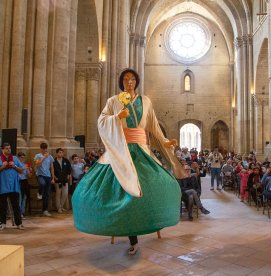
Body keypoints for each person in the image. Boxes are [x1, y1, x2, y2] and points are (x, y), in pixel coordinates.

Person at [72, 68, 186, 256]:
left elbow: (154, 127)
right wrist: (117, 117)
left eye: (132, 79)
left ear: (137, 81)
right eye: (126, 79)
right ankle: (123, 229)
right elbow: (101, 120)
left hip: (141, 151)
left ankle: (151, 221)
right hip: (120, 151)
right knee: (110, 192)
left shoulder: (146, 101)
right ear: (121, 82)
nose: (129, 82)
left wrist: (165, 142)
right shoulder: (113, 101)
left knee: (163, 186)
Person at [0, 143, 24, 230]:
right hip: (3, 186)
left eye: (9, 148)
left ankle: (19, 223)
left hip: (14, 186)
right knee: (2, 206)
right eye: (6, 148)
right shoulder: (0, 159)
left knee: (16, 206)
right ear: (2, 149)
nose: (9, 150)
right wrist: (2, 166)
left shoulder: (15, 158)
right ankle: (3, 223)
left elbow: (21, 171)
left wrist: (14, 166)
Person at [34, 142, 55, 217]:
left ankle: (45, 210)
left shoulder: (50, 156)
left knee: (46, 194)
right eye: (43, 148)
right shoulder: (37, 156)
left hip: (48, 176)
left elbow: (52, 167)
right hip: (40, 175)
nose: (45, 150)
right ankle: (39, 193)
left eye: (46, 148)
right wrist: (43, 158)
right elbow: (37, 165)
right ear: (41, 149)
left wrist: (53, 178)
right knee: (42, 184)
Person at [53, 148, 72, 213]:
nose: (61, 154)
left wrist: (68, 174)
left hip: (64, 180)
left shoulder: (65, 160)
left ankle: (61, 206)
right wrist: (54, 177)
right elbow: (52, 170)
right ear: (57, 153)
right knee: (58, 194)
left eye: (62, 152)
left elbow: (69, 168)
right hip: (57, 180)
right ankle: (59, 208)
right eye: (60, 152)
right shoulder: (54, 161)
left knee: (65, 193)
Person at [17, 152, 32, 218]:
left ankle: (22, 212)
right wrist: (24, 169)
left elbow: (29, 176)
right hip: (19, 181)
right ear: (18, 158)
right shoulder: (16, 165)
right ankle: (19, 212)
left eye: (23, 157)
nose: (22, 158)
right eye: (21, 157)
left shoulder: (26, 164)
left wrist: (30, 170)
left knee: (25, 196)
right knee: (20, 197)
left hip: (25, 181)